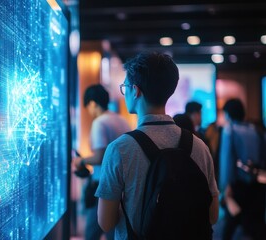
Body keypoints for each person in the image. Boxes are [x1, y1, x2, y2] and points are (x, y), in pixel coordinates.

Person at [95, 52, 219, 239]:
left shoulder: (119, 149)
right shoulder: (199, 146)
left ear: (135, 91)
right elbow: (213, 215)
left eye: (125, 87)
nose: (125, 92)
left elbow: (106, 222)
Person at [72, 84, 131, 240]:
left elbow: (100, 156)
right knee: (115, 230)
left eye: (88, 107)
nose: (89, 111)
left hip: (104, 185)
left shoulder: (100, 123)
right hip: (123, 185)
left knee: (92, 233)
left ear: (92, 103)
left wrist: (81, 160)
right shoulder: (121, 120)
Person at [219, 98, 266, 240]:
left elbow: (227, 160)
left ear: (228, 114)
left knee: (231, 223)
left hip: (238, 185)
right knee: (255, 222)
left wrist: (225, 186)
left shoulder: (230, 130)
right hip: (258, 184)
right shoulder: (256, 130)